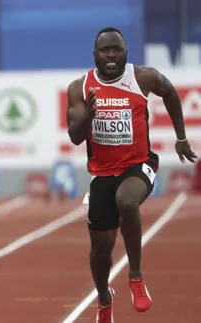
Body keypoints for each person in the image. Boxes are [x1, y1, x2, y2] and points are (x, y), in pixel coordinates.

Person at [66, 26, 198, 322]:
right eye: (105, 50)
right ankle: (104, 299)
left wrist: (180, 137)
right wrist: (88, 116)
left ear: (126, 52)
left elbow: (171, 92)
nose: (112, 56)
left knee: (127, 201)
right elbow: (75, 137)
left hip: (140, 164)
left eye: (118, 50)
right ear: (95, 55)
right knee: (100, 252)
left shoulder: (142, 78)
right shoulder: (79, 87)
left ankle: (136, 277)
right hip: (101, 173)